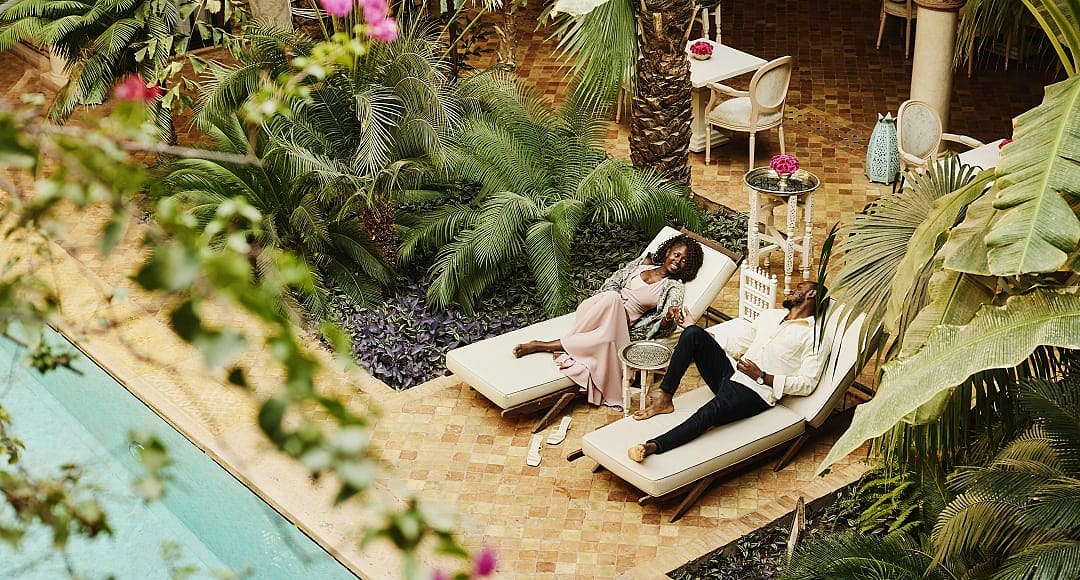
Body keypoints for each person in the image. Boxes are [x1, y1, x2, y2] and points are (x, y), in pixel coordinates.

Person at [627, 280, 825, 462]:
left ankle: (652, 445)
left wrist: (763, 377)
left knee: (708, 413)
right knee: (693, 334)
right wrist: (693, 329)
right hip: (733, 372)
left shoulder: (814, 337)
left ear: (812, 295)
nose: (790, 290)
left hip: (756, 391)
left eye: (799, 288)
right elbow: (740, 344)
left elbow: (807, 383)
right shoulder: (770, 316)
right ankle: (664, 400)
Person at [512, 234, 705, 408]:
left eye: (685, 261)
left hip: (620, 325)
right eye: (677, 255)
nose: (679, 261)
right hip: (597, 308)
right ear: (668, 252)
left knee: (605, 335)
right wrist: (614, 298)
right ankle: (551, 345)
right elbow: (611, 284)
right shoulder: (643, 264)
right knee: (612, 298)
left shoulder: (673, 287)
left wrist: (668, 318)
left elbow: (664, 326)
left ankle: (543, 345)